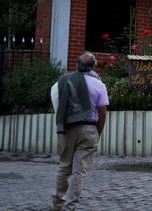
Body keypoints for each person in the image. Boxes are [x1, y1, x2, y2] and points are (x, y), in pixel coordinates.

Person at [52, 52, 109, 210]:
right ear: (93, 66)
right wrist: (98, 132)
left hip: (67, 127)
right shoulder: (99, 85)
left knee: (64, 167)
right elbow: (103, 113)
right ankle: (71, 206)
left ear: (77, 65)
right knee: (79, 171)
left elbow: (57, 102)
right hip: (89, 128)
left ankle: (57, 204)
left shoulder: (65, 81)